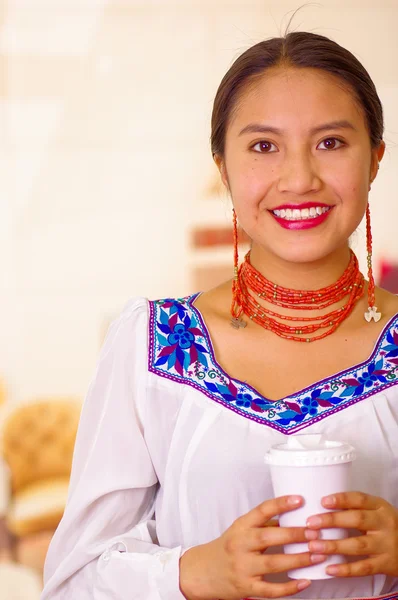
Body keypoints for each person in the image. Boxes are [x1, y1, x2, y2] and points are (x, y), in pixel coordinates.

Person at [40, 22, 398, 600]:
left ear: (375, 158)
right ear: (222, 167)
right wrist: (193, 573)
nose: (299, 178)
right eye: (263, 146)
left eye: (331, 142)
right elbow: (72, 580)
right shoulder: (153, 347)